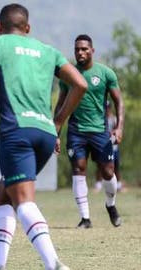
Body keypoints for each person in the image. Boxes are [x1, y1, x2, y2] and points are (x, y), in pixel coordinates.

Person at [0, 4, 87, 270]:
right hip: (46, 133)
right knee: (3, 195)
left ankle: (54, 264)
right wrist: (58, 121)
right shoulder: (49, 51)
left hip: (17, 131)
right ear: (28, 28)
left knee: (23, 200)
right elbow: (80, 84)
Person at [56, 34, 124, 229]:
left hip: (100, 131)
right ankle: (85, 218)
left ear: (92, 51)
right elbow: (61, 103)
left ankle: (111, 205)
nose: (80, 52)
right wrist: (56, 132)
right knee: (78, 168)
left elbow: (119, 102)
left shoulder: (106, 73)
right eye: (77, 49)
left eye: (84, 49)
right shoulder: (68, 74)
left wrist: (119, 127)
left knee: (108, 171)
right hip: (76, 130)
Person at [93, 101, 126, 193]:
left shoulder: (114, 119)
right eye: (105, 107)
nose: (106, 109)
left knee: (116, 166)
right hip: (102, 147)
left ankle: (118, 185)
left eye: (107, 107)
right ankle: (98, 185)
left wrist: (110, 138)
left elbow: (117, 133)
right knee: (100, 166)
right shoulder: (101, 119)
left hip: (113, 147)